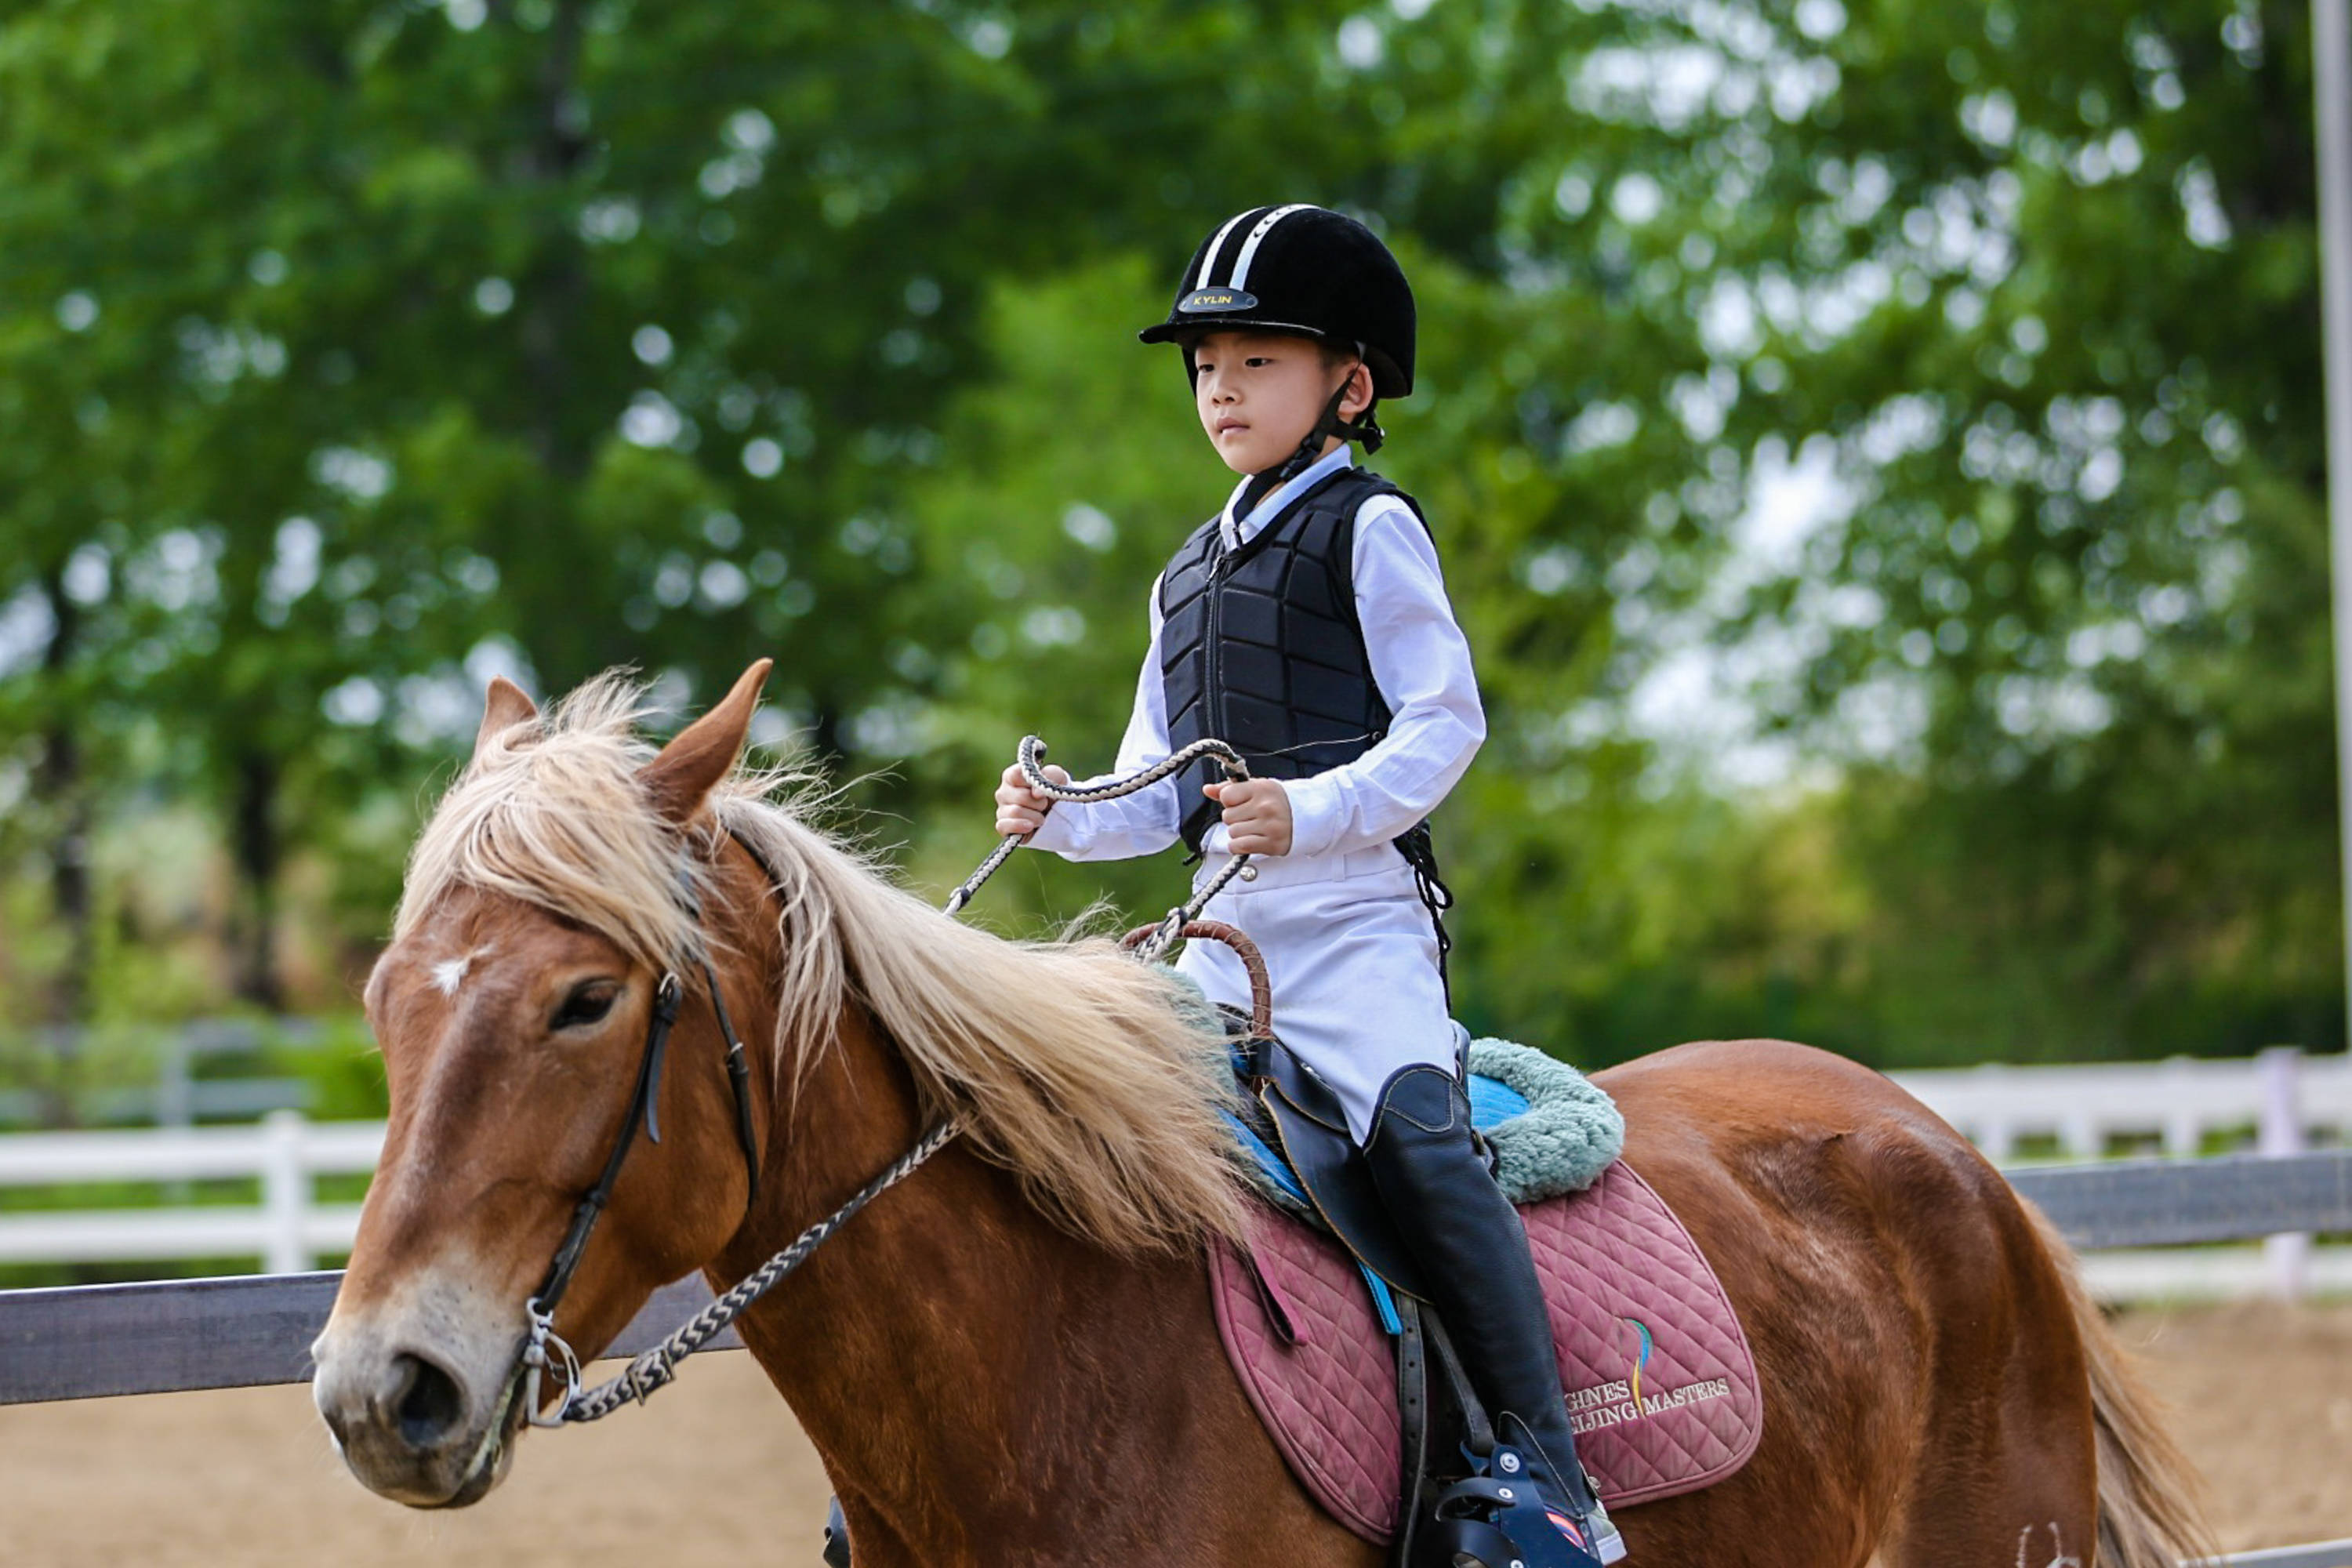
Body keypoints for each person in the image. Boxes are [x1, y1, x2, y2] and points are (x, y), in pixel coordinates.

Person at [993, 203, 1624, 1566]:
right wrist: (1057, 819)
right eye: (1206, 364)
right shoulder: (1183, 574)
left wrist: (1316, 813)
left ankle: (1548, 1474)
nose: (1221, 386)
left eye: (1256, 360)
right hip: (1218, 944)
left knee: (1421, 1146)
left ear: (1348, 384)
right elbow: (1157, 786)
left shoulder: (1370, 525)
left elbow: (1444, 724)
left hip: (1355, 937)